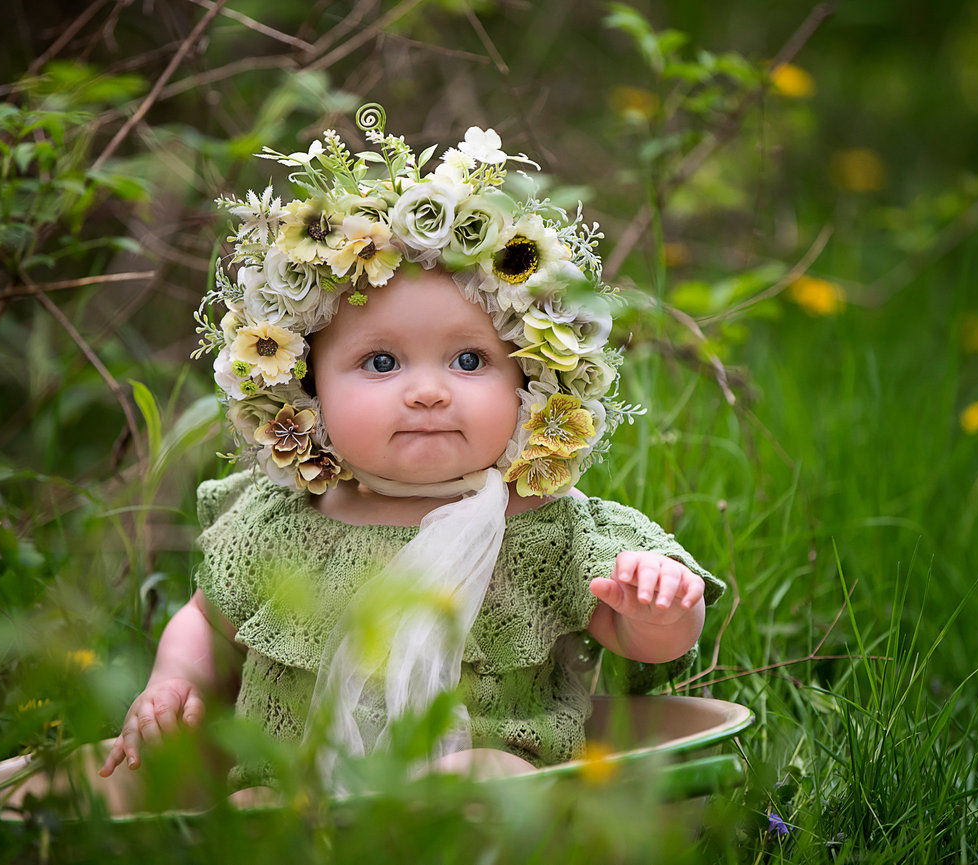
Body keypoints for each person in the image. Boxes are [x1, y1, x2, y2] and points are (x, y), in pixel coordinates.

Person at [97, 105, 723, 794]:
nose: (428, 392)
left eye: (467, 359)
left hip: (485, 774)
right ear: (306, 387)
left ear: (529, 382)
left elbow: (641, 637)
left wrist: (661, 608)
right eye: (382, 363)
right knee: (255, 806)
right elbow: (208, 623)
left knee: (479, 783)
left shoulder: (546, 523)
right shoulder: (283, 517)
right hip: (296, 783)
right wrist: (171, 683)